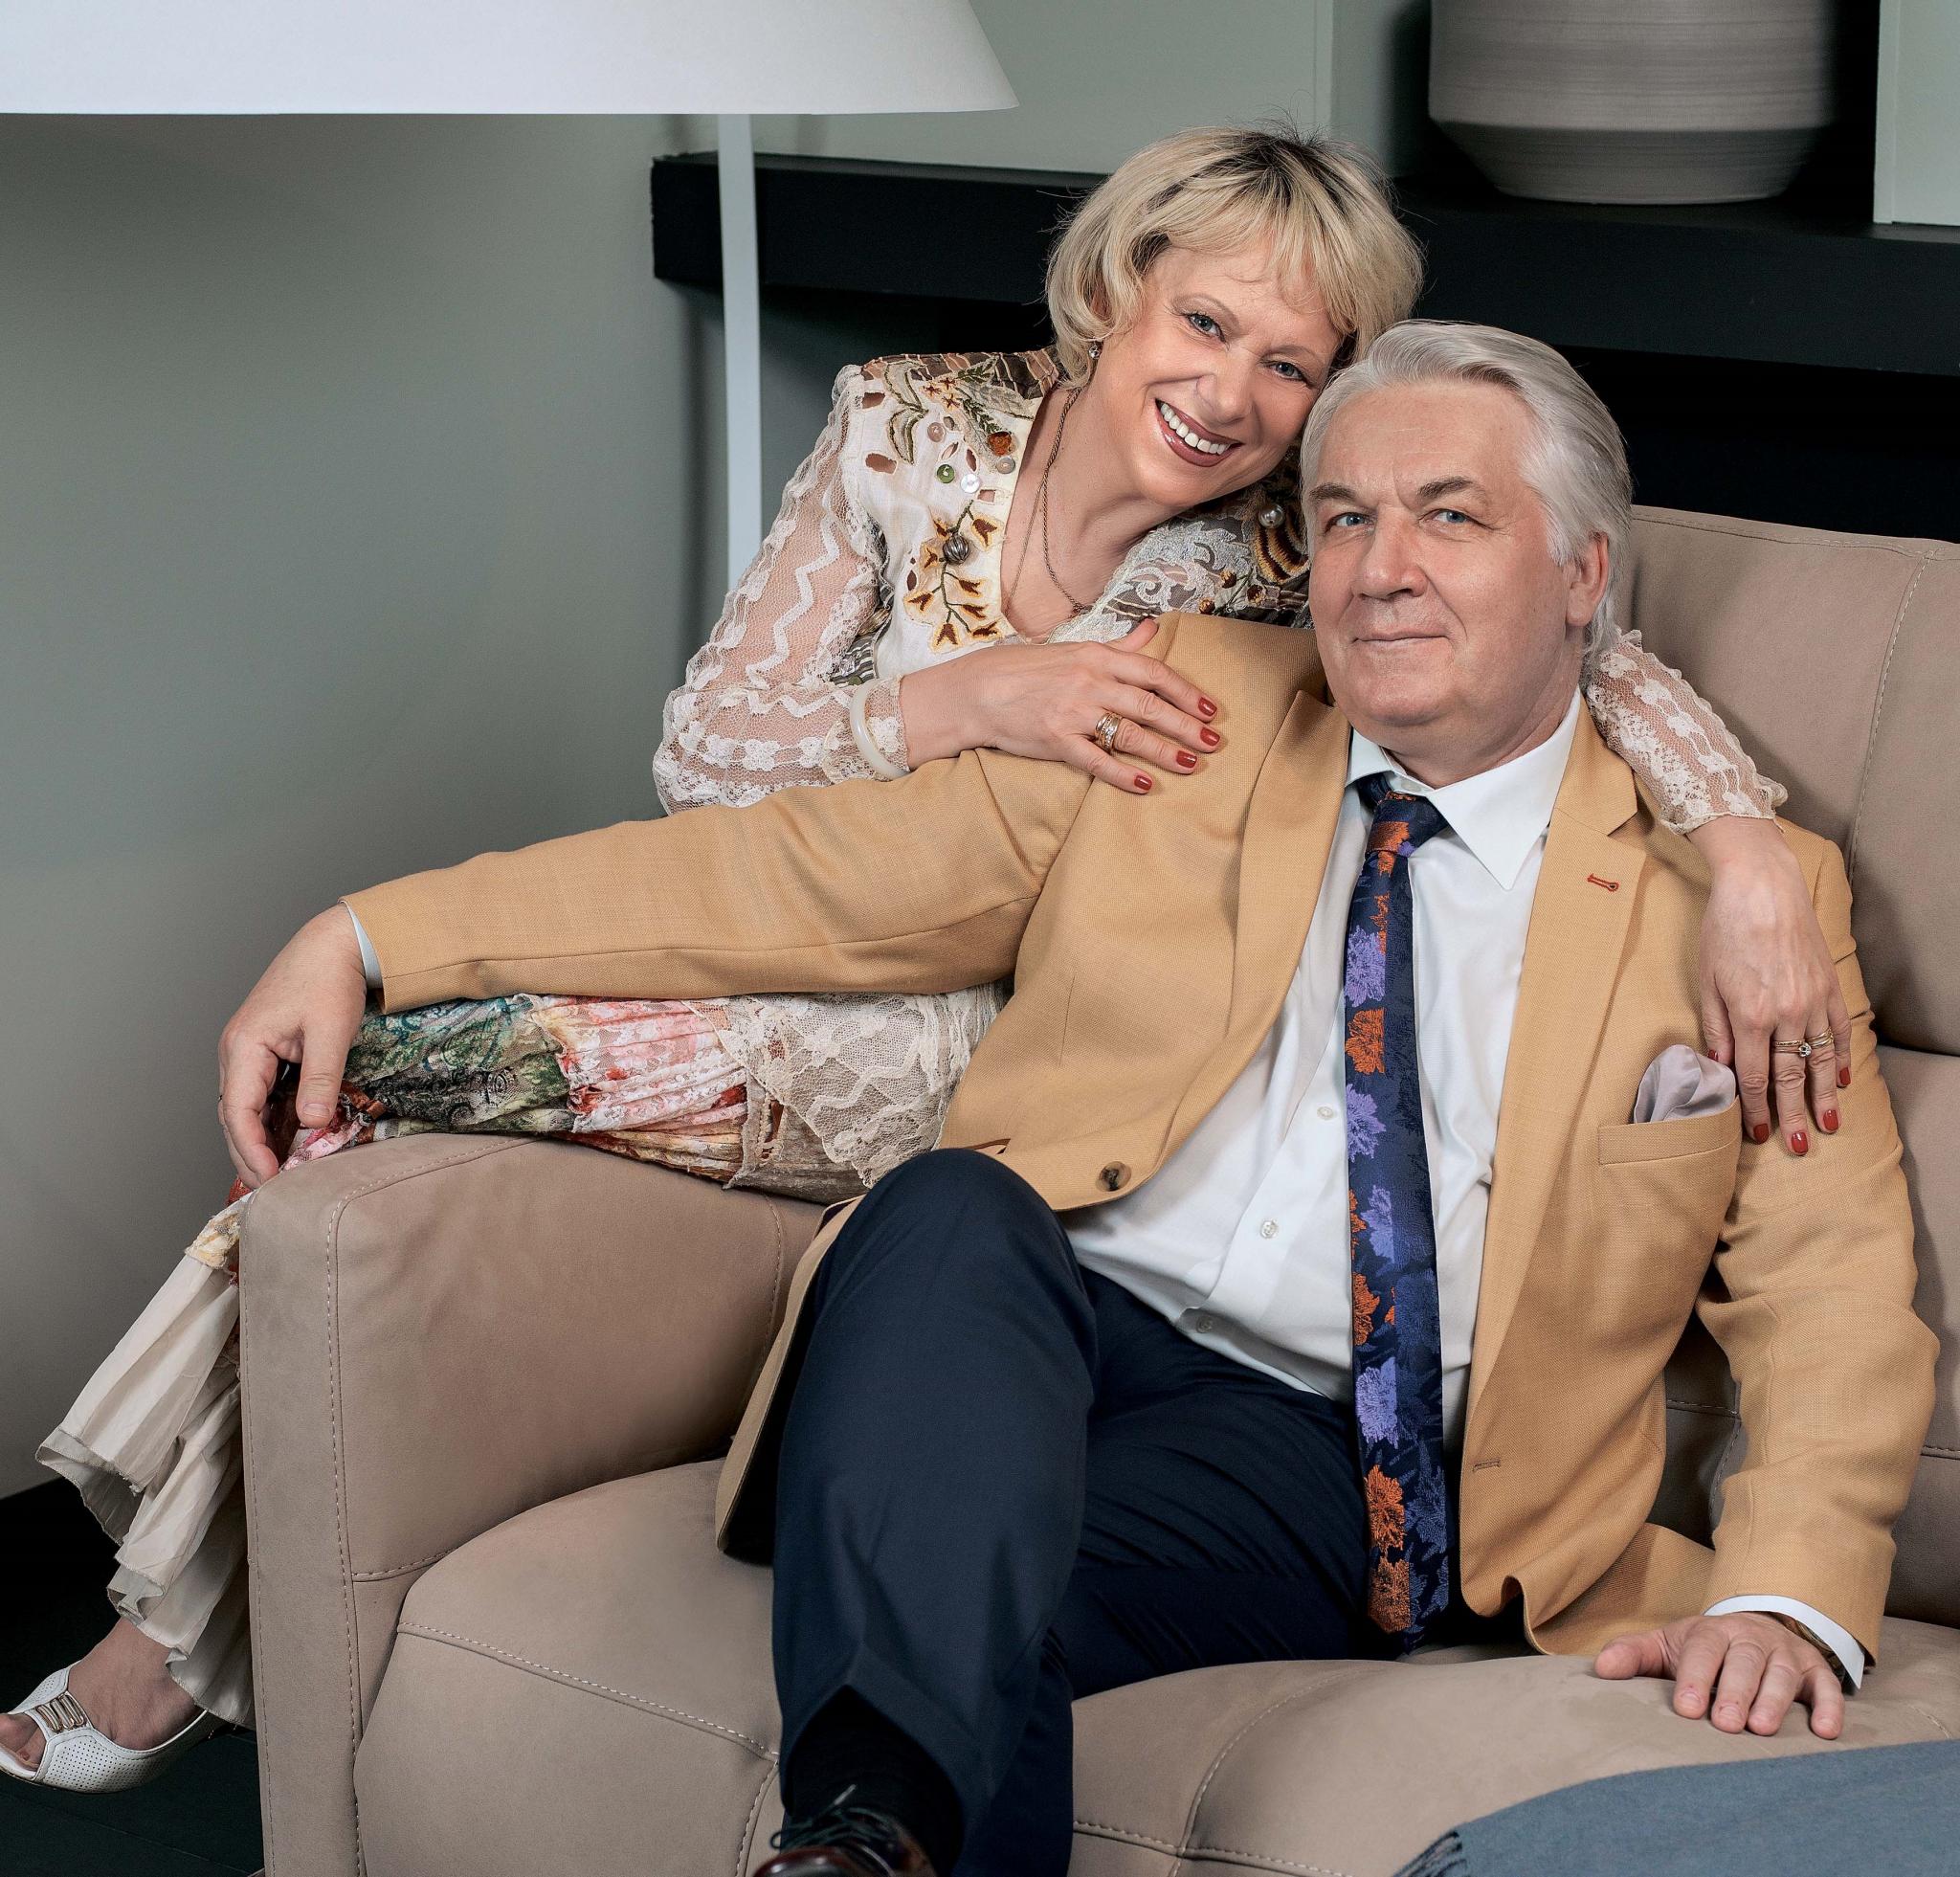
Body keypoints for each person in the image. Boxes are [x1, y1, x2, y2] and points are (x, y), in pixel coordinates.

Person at [1, 128, 1842, 1790]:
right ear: (1115, 294)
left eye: (1298, 375)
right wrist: (369, 928)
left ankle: (843, 1824)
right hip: (1035, 1253)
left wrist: (1747, 845)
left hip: (1295, 1400)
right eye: (1353, 511)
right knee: (872, 1209)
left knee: (931, 1576)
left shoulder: (1626, 833)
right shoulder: (1144, 641)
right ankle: (218, 1631)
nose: (1373, 556)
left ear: (1580, 570)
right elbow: (782, 859)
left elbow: (1822, 1259)